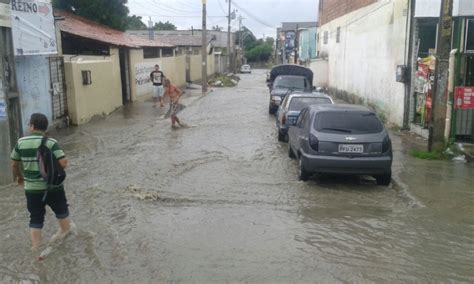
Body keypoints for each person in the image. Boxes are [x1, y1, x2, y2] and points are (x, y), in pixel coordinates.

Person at [10, 113, 72, 251]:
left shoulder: (21, 142)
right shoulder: (51, 142)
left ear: (32, 126)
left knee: (35, 218)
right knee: (61, 211)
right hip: (53, 187)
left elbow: (14, 164)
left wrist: (20, 177)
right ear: (45, 128)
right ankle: (65, 237)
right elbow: (63, 163)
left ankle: (35, 247)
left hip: (31, 189)